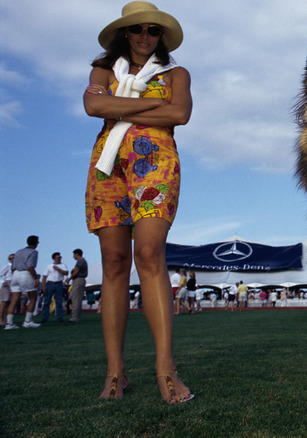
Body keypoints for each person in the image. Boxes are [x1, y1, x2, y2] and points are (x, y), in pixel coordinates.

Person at [83, 1, 192, 403]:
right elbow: (94, 106)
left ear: (160, 37)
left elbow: (179, 114)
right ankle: (116, 372)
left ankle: (166, 370)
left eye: (153, 30)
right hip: (108, 167)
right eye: (137, 29)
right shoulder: (103, 72)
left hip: (156, 164)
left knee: (149, 253)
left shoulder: (175, 73)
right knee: (113, 262)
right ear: (124, 34)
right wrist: (153, 106)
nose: (145, 36)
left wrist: (123, 108)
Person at [7, 236, 42, 329]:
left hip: (15, 274)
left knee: (14, 299)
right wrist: (36, 277)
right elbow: (30, 266)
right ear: (35, 243)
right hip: (25, 274)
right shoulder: (33, 252)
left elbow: (12, 267)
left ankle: (9, 323)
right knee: (33, 297)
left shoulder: (18, 251)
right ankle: (27, 321)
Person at [41, 253, 69, 323]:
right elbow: (44, 276)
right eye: (58, 258)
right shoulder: (49, 266)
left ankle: (59, 318)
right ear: (54, 258)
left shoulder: (63, 265)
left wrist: (59, 269)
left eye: (60, 257)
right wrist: (43, 286)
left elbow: (66, 273)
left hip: (59, 283)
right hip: (50, 283)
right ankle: (44, 318)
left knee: (59, 302)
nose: (59, 259)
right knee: (47, 302)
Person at [69, 249, 89, 323]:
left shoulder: (80, 261)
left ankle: (74, 318)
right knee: (78, 299)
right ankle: (77, 316)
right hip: (81, 280)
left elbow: (75, 271)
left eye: (74, 254)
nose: (73, 256)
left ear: (77, 254)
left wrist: (69, 278)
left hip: (78, 280)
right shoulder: (83, 261)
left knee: (75, 299)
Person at [0, 254, 14, 328]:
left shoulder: (16, 267)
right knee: (4, 302)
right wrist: (3, 282)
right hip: (7, 284)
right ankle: (0, 319)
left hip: (13, 284)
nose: (12, 260)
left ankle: (6, 319)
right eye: (11, 258)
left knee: (9, 303)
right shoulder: (7, 267)